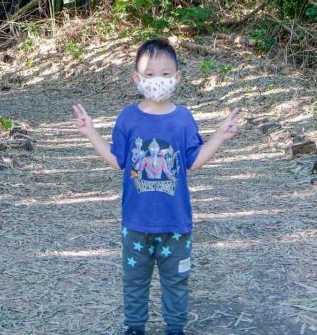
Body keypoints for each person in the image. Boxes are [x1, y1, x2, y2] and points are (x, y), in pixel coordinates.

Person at [72, 38, 242, 335]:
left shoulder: (183, 119)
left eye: (165, 74)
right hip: (136, 224)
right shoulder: (128, 117)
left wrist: (219, 137)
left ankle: (175, 329)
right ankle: (134, 328)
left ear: (177, 77)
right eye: (149, 75)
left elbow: (194, 160)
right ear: (136, 78)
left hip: (176, 224)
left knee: (176, 281)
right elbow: (117, 160)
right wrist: (90, 133)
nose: (157, 81)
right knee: (134, 280)